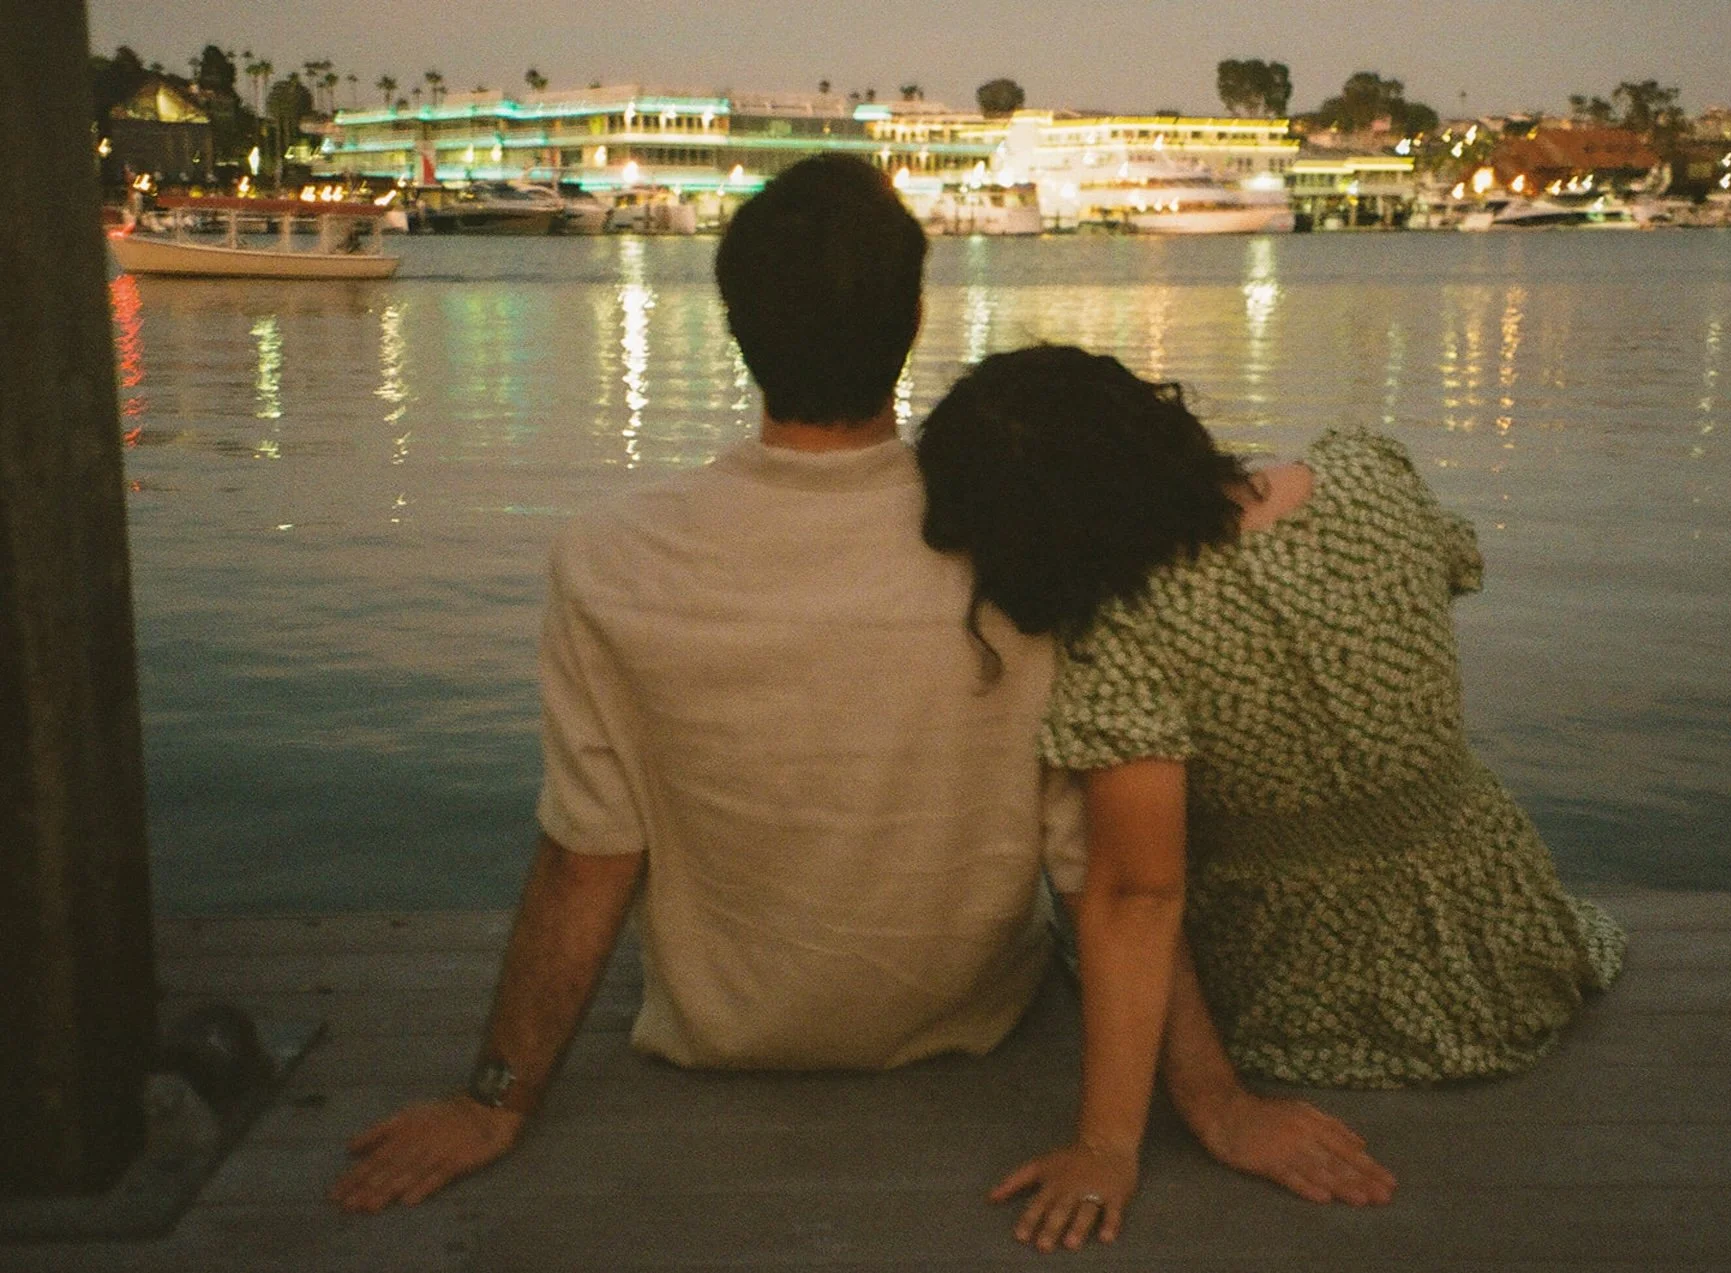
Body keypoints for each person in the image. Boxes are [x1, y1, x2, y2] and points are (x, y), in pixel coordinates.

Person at [328, 160, 1393, 1230]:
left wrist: (492, 1100)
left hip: (722, 1040)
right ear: (912, 317)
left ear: (738, 326)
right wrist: (1216, 1099)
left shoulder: (610, 559)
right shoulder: (1010, 546)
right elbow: (1105, 875)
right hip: (974, 1018)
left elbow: (585, 856)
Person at [917, 344, 1627, 1251]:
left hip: (1320, 989)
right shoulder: (1366, 474)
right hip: (1506, 932)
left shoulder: (1131, 635)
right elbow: (1453, 566)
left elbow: (1140, 896)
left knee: (1093, 866)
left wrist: (1112, 1144)